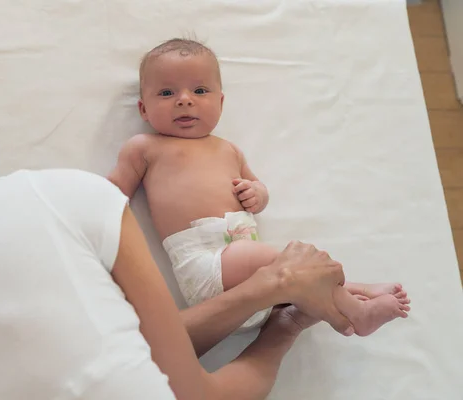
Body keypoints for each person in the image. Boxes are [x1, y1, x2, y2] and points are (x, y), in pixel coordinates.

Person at [0, 48, 349, 400]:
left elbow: (135, 347)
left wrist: (266, 289)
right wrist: (284, 313)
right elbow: (198, 394)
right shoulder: (50, 195)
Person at [108, 38, 411, 336]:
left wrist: (258, 195)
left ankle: (356, 291)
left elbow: (257, 188)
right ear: (143, 109)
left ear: (221, 102)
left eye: (200, 90)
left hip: (255, 278)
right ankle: (356, 312)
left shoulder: (229, 150)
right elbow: (108, 195)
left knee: (294, 267)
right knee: (285, 260)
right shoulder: (145, 147)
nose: (184, 99)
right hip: (206, 267)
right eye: (166, 92)